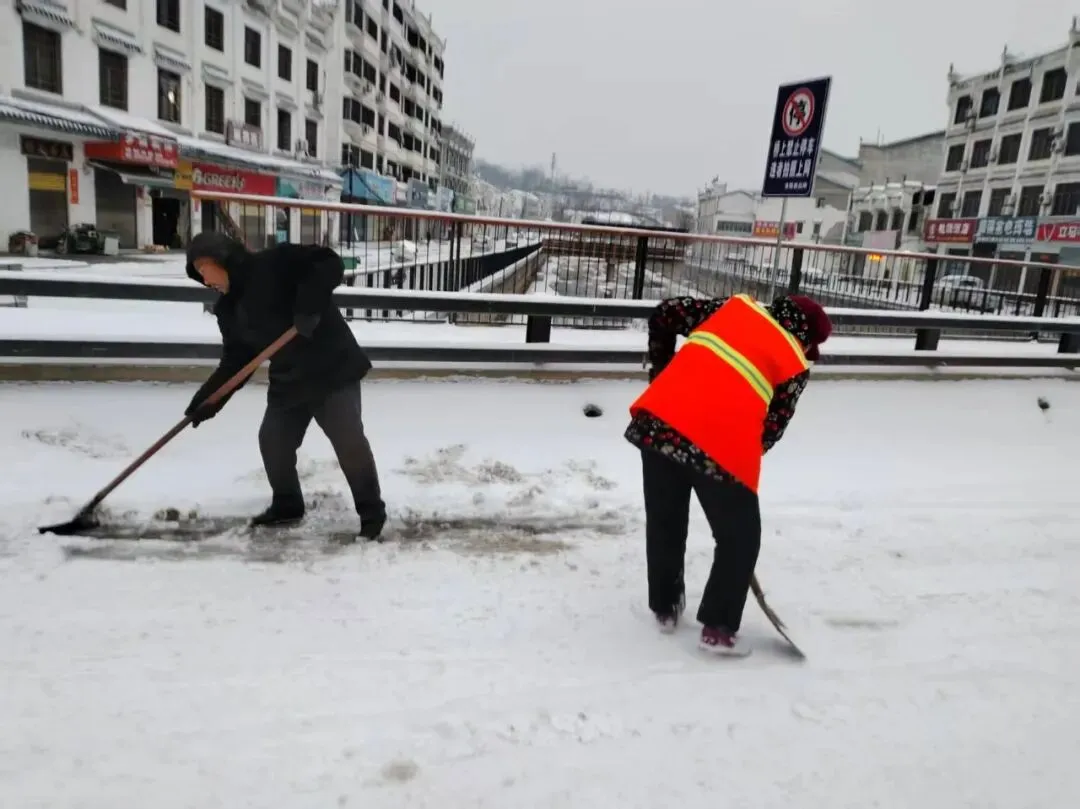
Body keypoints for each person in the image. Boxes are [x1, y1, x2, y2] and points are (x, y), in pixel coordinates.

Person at [625, 292, 832, 656]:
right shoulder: (795, 363)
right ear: (807, 339)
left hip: (659, 422)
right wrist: (730, 457)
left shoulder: (733, 308)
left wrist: (662, 374)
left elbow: (665, 313)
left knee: (665, 521)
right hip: (721, 447)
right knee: (740, 538)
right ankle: (718, 629)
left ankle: (665, 607)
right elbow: (771, 430)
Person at [184, 230, 386, 540]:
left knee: (348, 441)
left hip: (330, 369)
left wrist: (308, 307)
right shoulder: (228, 309)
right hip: (289, 379)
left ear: (221, 258)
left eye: (203, 269)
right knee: (273, 441)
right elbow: (236, 361)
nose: (204, 280)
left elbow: (328, 263)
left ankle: (372, 513)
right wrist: (208, 400)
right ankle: (287, 504)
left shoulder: (276, 262)